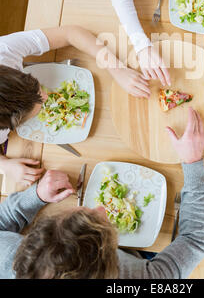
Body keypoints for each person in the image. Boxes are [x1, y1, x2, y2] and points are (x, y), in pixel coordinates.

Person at [0, 107, 204, 279]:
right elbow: (195, 240)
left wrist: (36, 196)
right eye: (104, 226)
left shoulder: (8, 253)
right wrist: (193, 163)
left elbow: (3, 221)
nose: (102, 208)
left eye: (76, 213)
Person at [0, 25, 150, 185]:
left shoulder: (4, 52)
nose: (46, 96)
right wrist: (5, 166)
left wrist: (117, 69)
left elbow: (71, 33)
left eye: (36, 85)